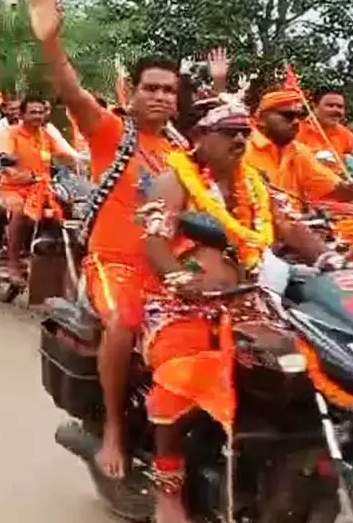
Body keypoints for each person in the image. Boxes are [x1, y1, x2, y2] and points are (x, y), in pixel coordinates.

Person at [26, 0, 201, 481]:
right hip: (114, 262)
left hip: (167, 266)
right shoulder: (108, 130)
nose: (162, 97)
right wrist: (51, 41)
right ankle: (114, 432)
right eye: (152, 88)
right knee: (125, 319)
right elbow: (70, 89)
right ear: (135, 92)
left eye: (170, 90)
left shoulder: (182, 152)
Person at [136, 95, 331, 522]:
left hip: (253, 302)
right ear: (201, 137)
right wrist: (180, 280)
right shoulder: (174, 181)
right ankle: (168, 487)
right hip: (182, 306)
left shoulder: (255, 183)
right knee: (180, 374)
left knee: (308, 361)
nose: (241, 139)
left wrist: (329, 261)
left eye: (245, 132)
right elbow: (152, 240)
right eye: (230, 132)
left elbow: (289, 227)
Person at [244, 84, 353, 212]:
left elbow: (334, 186)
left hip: (302, 218)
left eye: (299, 116)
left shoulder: (298, 150)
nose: (296, 122)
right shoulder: (241, 149)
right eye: (288, 116)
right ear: (261, 119)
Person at [0, 98, 78, 279]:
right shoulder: (11, 134)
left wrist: (82, 163)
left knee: (71, 210)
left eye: (41, 112)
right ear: (22, 114)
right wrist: (18, 174)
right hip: (13, 189)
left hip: (43, 188)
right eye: (33, 112)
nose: (38, 116)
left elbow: (64, 156)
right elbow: (5, 161)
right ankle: (13, 263)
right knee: (20, 213)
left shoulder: (45, 135)